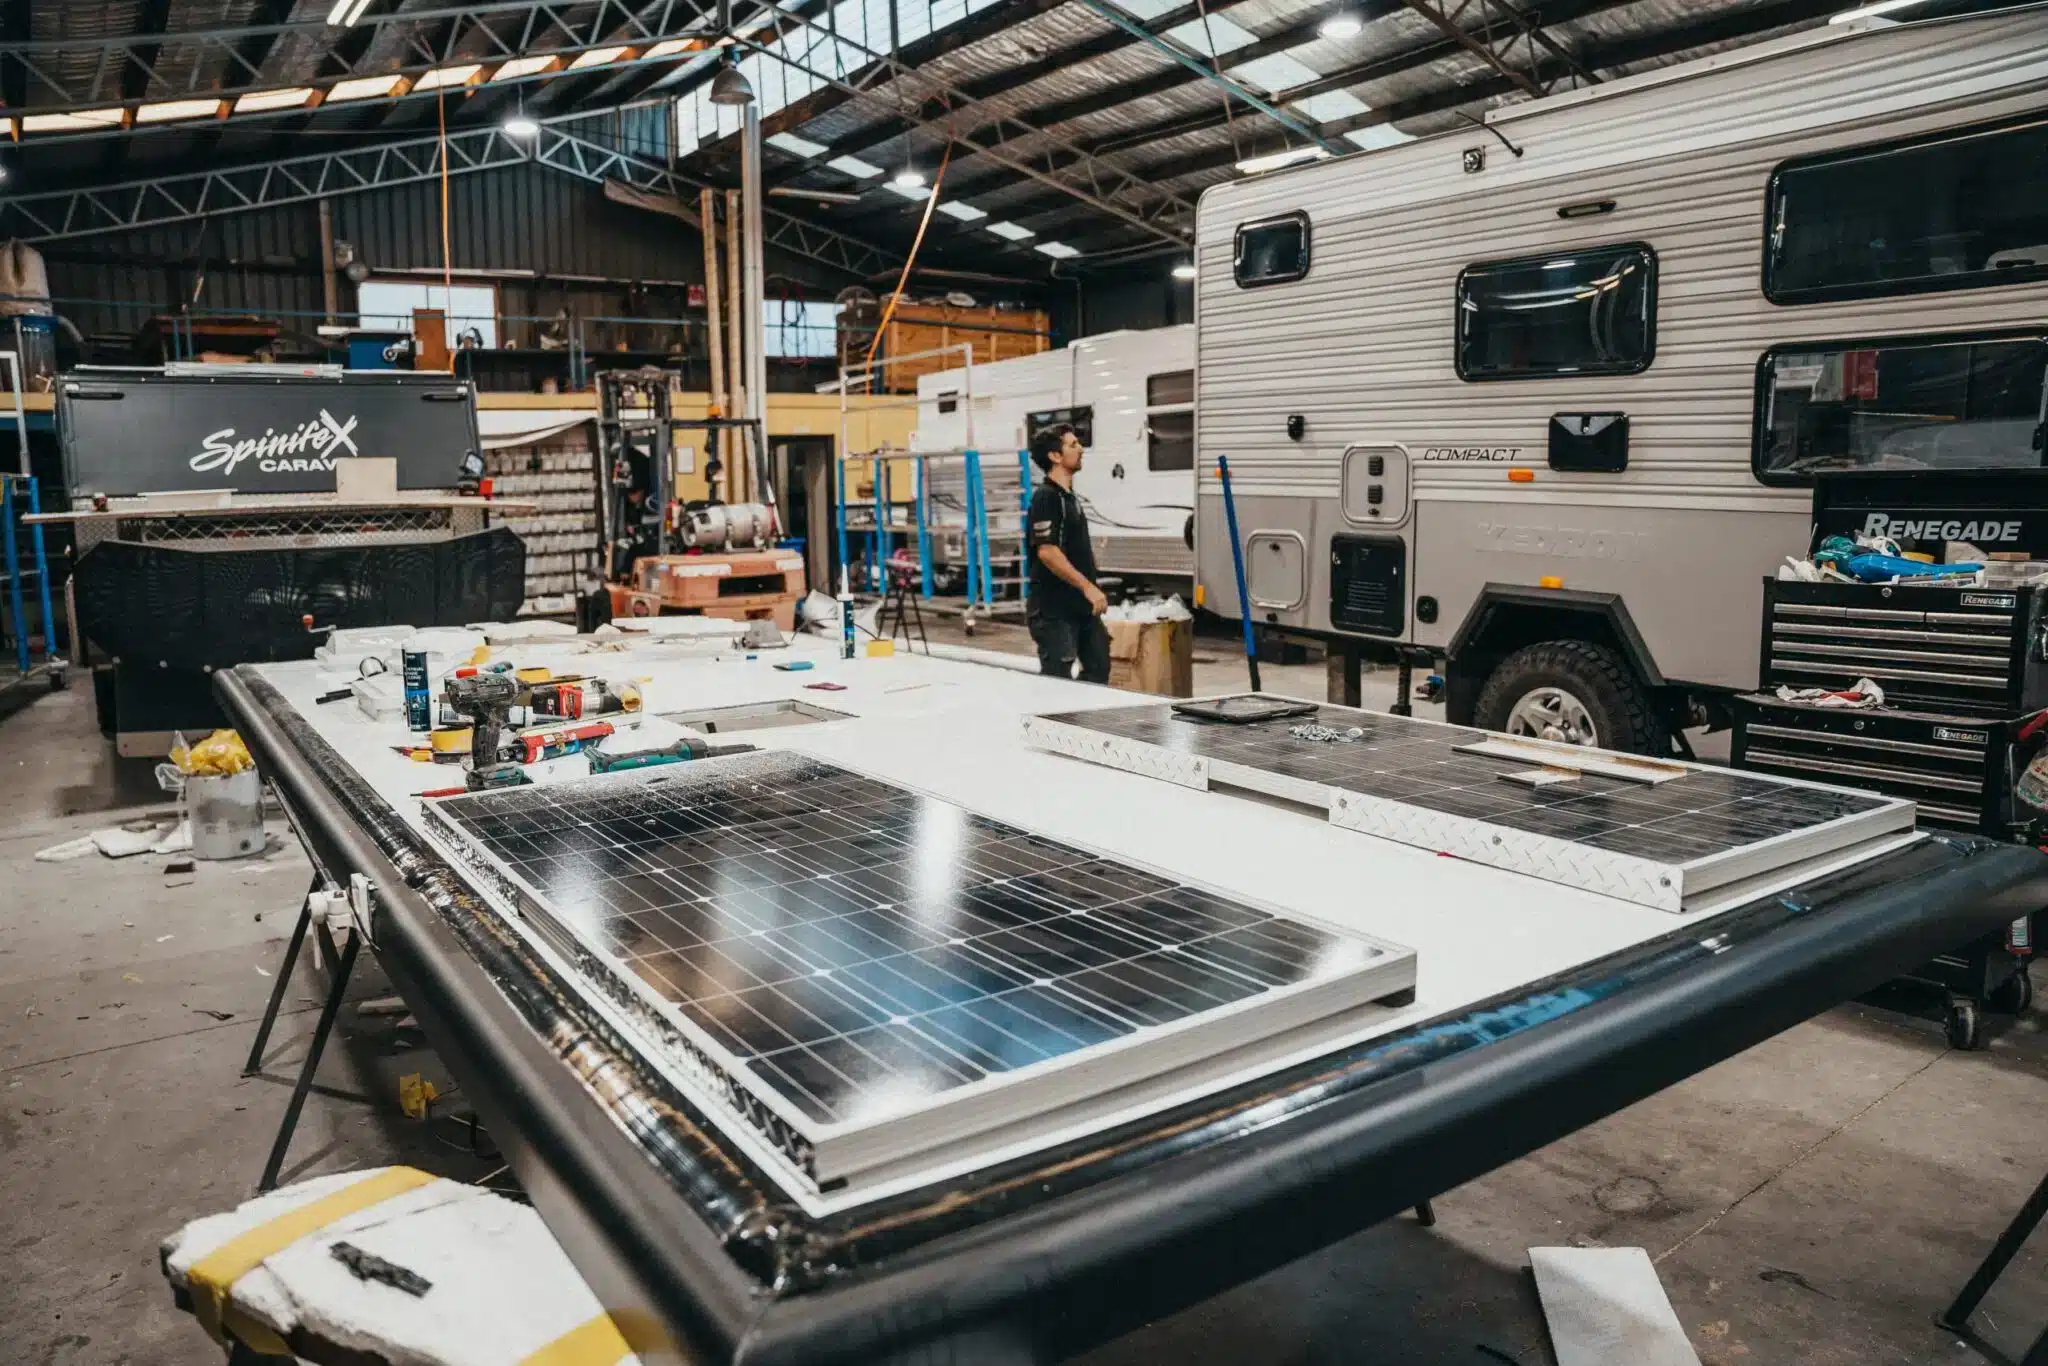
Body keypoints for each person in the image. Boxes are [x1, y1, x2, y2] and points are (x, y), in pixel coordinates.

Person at [1025, 422, 1110, 683]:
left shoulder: (1070, 498)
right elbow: (1047, 552)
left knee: (1098, 667)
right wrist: (1087, 587)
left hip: (1080, 608)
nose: (1081, 449)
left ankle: (1080, 721)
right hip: (1054, 611)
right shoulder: (1046, 497)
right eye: (1073, 445)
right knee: (1057, 681)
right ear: (1055, 456)